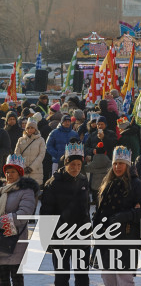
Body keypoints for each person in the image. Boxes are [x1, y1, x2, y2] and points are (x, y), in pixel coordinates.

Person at [93, 146, 141, 285]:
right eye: (115, 163)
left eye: (121, 164)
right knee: (107, 277)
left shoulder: (136, 184)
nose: (117, 167)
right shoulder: (107, 183)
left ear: (127, 165)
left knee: (124, 278)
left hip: (126, 237)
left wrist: (128, 215)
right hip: (106, 237)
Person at [40, 143, 90, 286]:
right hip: (61, 236)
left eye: (79, 164)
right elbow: (46, 212)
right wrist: (47, 238)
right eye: (72, 164)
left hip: (81, 236)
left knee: (82, 276)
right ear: (66, 164)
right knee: (62, 277)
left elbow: (86, 207)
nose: (76, 168)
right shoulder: (53, 183)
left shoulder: (83, 180)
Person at [0, 154, 39, 286]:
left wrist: (2, 221)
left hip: (16, 240)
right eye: (7, 172)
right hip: (2, 239)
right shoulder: (2, 190)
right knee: (2, 277)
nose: (9, 175)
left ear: (20, 173)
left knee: (16, 276)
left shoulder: (26, 191)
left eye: (13, 172)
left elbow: (25, 214)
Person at [14, 117, 45, 188]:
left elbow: (41, 154)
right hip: (23, 170)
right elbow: (17, 153)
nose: (30, 130)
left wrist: (32, 167)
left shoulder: (40, 140)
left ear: (35, 129)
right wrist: (23, 167)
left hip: (36, 171)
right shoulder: (21, 140)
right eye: (28, 128)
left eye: (32, 128)